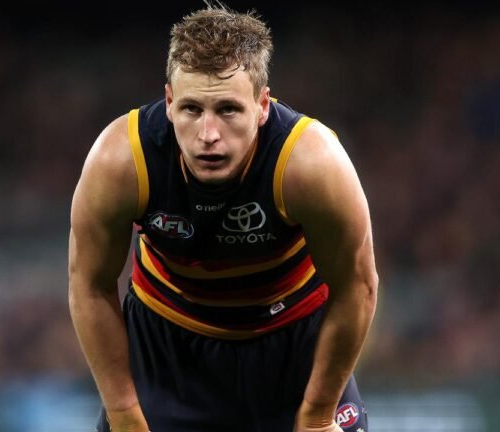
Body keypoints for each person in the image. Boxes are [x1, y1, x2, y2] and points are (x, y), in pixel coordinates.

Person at [68, 4, 378, 431]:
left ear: (263, 106)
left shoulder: (311, 165)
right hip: (166, 355)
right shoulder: (121, 161)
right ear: (170, 102)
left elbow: (356, 287)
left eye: (228, 110)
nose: (208, 135)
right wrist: (123, 412)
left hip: (294, 351)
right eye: (192, 109)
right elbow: (89, 285)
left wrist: (318, 412)